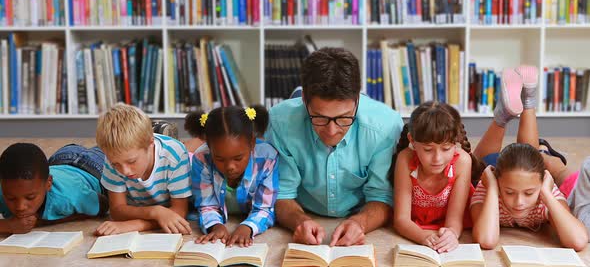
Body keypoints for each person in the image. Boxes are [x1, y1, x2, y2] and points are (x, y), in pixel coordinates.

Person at [266, 47, 404, 246]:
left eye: (344, 117)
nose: (332, 131)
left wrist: (361, 222)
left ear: (357, 100)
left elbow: (382, 195)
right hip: (306, 209)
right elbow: (282, 193)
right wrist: (299, 221)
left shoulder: (386, 126)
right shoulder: (280, 122)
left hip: (358, 209)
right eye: (320, 117)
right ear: (305, 100)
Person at [470, 66, 588, 251]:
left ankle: (506, 114)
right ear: (497, 182)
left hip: (523, 168)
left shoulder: (546, 192)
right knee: (477, 167)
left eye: (529, 193)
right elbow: (486, 240)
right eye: (509, 192)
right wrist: (492, 188)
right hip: (499, 166)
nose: (519, 202)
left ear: (542, 183)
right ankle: (527, 99)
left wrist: (547, 194)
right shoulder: (487, 189)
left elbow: (579, 241)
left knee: (531, 156)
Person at [391, 101, 478, 253]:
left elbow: (455, 221)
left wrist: (452, 234)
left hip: (447, 220)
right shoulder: (405, 159)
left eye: (446, 148)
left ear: (455, 143)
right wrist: (422, 236)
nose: (437, 159)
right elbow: (401, 220)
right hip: (417, 225)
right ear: (412, 141)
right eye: (428, 149)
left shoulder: (462, 162)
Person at [187, 105, 279, 248]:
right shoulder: (202, 158)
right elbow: (206, 205)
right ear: (209, 147)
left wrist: (248, 227)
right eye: (220, 159)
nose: (230, 166)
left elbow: (265, 207)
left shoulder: (267, 158)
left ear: (252, 143)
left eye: (238, 158)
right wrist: (215, 226)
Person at [95, 103, 192, 236]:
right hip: (145, 206)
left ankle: (162, 128)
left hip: (159, 199)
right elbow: (117, 210)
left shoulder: (176, 154)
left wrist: (133, 225)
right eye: (116, 164)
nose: (125, 171)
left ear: (150, 143)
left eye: (132, 161)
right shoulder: (113, 158)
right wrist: (156, 212)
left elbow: (180, 212)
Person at [0, 143, 108, 234]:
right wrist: (7, 226)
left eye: (30, 197)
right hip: (60, 158)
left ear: (48, 184)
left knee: (112, 147)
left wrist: (42, 222)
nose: (20, 207)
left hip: (94, 167)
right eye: (11, 198)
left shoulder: (69, 196)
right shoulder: (6, 187)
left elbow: (104, 205)